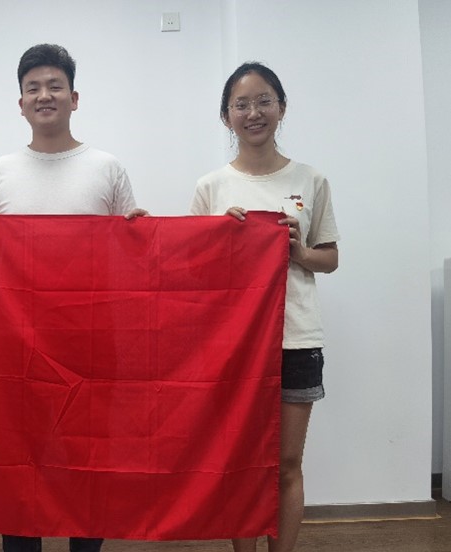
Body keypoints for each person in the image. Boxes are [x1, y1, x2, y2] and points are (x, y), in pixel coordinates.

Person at [0, 43, 146, 552]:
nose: (44, 95)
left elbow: (130, 255)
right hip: (17, 343)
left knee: (88, 457)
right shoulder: (0, 171)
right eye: (33, 88)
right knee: (20, 456)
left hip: (90, 339)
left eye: (54, 86)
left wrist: (140, 231)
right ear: (20, 103)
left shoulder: (107, 167)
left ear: (74, 98)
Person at [190, 62, 339, 552]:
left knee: (287, 465)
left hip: (296, 339)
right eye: (241, 104)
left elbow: (330, 258)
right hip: (235, 344)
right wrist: (220, 240)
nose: (253, 112)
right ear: (226, 116)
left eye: (263, 101)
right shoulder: (211, 187)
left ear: (281, 108)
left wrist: (299, 252)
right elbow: (193, 272)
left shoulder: (311, 180)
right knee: (241, 462)